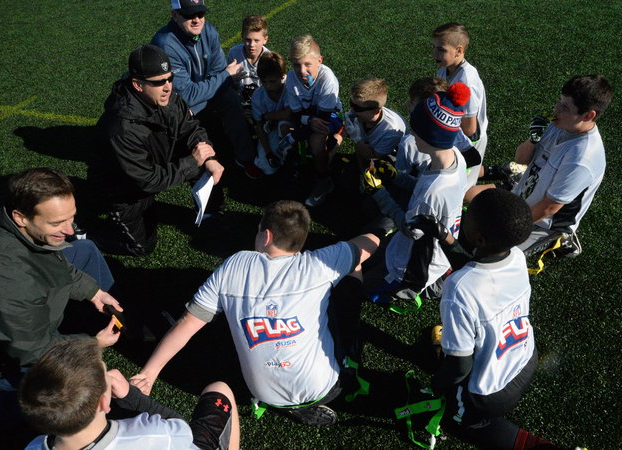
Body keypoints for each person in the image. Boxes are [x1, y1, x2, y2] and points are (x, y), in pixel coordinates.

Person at [131, 200, 379, 426]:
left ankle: (285, 401)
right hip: (325, 389)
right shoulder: (319, 264)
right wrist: (385, 225)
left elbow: (187, 322)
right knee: (353, 269)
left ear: (266, 236)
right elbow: (370, 243)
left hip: (260, 391)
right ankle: (329, 383)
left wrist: (148, 374)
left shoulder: (234, 265)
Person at [431, 189, 564, 449]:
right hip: (526, 358)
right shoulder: (516, 256)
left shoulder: (458, 288)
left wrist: (437, 383)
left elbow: (459, 366)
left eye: (468, 217)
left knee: (458, 417)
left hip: (490, 394)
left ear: (479, 238)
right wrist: (445, 238)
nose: (464, 217)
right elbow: (475, 271)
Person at [0, 168, 122, 429]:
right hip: (10, 361)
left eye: (71, 218)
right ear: (20, 218)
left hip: (26, 321)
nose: (70, 230)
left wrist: (93, 292)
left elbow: (51, 261)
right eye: (57, 223)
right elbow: (31, 350)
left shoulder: (12, 218)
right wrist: (91, 344)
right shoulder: (9, 279)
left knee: (85, 249)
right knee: (65, 399)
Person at [88, 44, 225, 256]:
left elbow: (190, 128)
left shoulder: (166, 97)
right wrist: (192, 161)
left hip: (153, 164)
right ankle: (84, 234)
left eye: (170, 78)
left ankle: (209, 213)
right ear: (138, 84)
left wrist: (209, 158)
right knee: (141, 247)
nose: (168, 87)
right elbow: (148, 181)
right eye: (159, 82)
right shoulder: (122, 128)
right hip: (124, 190)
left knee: (203, 160)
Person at [466, 75, 613, 257]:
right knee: (471, 222)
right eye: (559, 101)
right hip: (521, 197)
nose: (556, 109)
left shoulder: (582, 158)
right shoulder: (558, 125)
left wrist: (508, 227)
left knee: (484, 254)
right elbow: (521, 160)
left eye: (565, 107)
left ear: (588, 115)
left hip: (545, 224)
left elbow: (549, 208)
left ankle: (560, 239)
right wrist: (533, 140)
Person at [20, 339, 240, 450]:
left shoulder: (33, 446)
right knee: (220, 390)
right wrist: (132, 397)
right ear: (104, 402)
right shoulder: (152, 434)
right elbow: (181, 429)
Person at [362, 85, 469, 308]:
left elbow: (410, 229)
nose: (411, 134)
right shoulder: (455, 158)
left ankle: (413, 290)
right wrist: (396, 177)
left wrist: (378, 193)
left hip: (408, 266)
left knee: (362, 287)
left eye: (415, 129)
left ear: (430, 135)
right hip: (428, 249)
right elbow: (421, 185)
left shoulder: (434, 192)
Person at [152, 0, 261, 179]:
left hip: (200, 95)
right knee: (187, 113)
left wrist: (221, 79)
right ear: (175, 15)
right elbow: (187, 96)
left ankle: (246, 157)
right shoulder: (165, 44)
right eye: (189, 15)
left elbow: (218, 73)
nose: (196, 20)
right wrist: (225, 76)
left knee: (230, 98)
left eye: (200, 14)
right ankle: (202, 165)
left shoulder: (209, 31)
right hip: (177, 104)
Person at [280, 35, 344, 207]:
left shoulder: (327, 78)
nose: (302, 71)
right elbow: (295, 113)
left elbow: (322, 120)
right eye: (296, 64)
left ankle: (324, 181)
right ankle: (297, 166)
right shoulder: (291, 77)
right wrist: (307, 121)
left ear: (319, 61)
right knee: (284, 127)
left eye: (307, 64)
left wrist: (296, 135)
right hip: (309, 116)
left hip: (331, 115)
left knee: (316, 140)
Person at [432, 23, 488, 192]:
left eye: (441, 50)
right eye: (434, 48)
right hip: (456, 137)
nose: (435, 54)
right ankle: (497, 171)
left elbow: (470, 128)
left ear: (459, 50)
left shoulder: (466, 80)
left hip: (469, 142)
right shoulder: (445, 69)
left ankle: (507, 185)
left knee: (461, 189)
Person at [343, 78, 406, 169]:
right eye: (351, 103)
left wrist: (357, 138)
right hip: (368, 149)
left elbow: (371, 157)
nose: (352, 110)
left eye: (357, 108)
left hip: (389, 160)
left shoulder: (391, 130)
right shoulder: (362, 115)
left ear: (376, 111)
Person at [251, 51, 291, 175]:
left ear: (283, 76)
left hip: (291, 124)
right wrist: (268, 154)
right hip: (271, 130)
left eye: (272, 82)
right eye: (264, 82)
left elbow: (289, 114)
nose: (268, 86)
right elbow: (259, 126)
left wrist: (268, 116)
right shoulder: (258, 96)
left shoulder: (290, 87)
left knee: (284, 127)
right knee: (267, 168)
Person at [227, 15, 271, 108]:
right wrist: (232, 80)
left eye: (256, 40)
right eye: (248, 40)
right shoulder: (234, 53)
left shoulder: (269, 59)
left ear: (265, 39)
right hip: (239, 104)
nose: (251, 45)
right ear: (242, 36)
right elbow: (227, 84)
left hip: (262, 106)